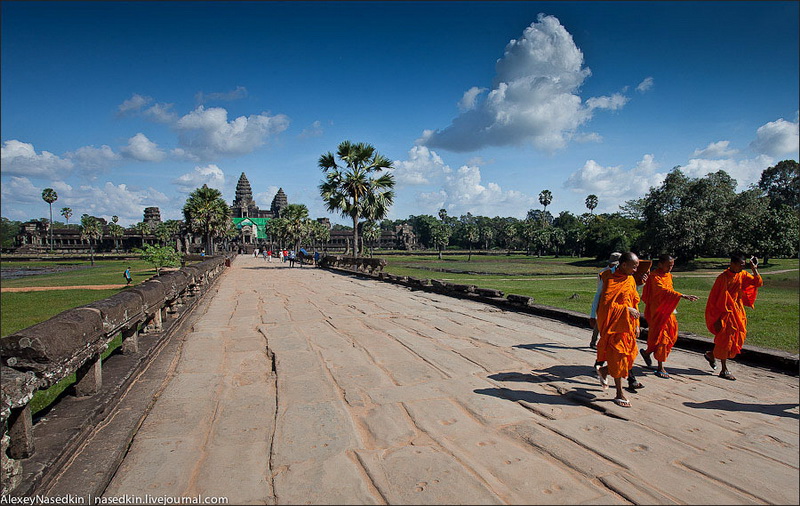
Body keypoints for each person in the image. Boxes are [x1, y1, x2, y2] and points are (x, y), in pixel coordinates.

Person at [595, 251, 644, 407]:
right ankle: (619, 393)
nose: (635, 270)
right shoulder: (610, 279)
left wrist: (637, 324)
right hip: (614, 326)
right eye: (633, 267)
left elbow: (634, 302)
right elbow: (606, 305)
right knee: (618, 356)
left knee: (629, 357)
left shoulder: (629, 279)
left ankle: (604, 371)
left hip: (628, 325)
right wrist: (626, 310)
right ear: (623, 265)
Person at [703, 253, 762, 381]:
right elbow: (714, 300)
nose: (742, 267)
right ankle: (724, 370)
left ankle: (711, 355)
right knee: (725, 339)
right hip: (724, 312)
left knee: (738, 335)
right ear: (732, 264)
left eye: (744, 265)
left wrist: (754, 269)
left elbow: (758, 282)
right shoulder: (722, 278)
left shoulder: (742, 275)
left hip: (737, 310)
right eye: (740, 265)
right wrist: (717, 318)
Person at [640, 254, 699, 378]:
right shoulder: (654, 277)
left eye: (672, 265)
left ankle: (647, 352)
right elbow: (662, 291)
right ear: (660, 264)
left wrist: (676, 296)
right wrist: (681, 295)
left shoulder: (669, 276)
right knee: (662, 338)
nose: (670, 267)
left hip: (669, 310)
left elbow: (668, 291)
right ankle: (660, 367)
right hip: (658, 311)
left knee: (672, 335)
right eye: (668, 265)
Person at [589, 252, 622, 348]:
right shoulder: (603, 273)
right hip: (604, 301)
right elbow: (598, 292)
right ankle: (594, 341)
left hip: (616, 302)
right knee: (600, 322)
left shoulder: (623, 273)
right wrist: (592, 314)